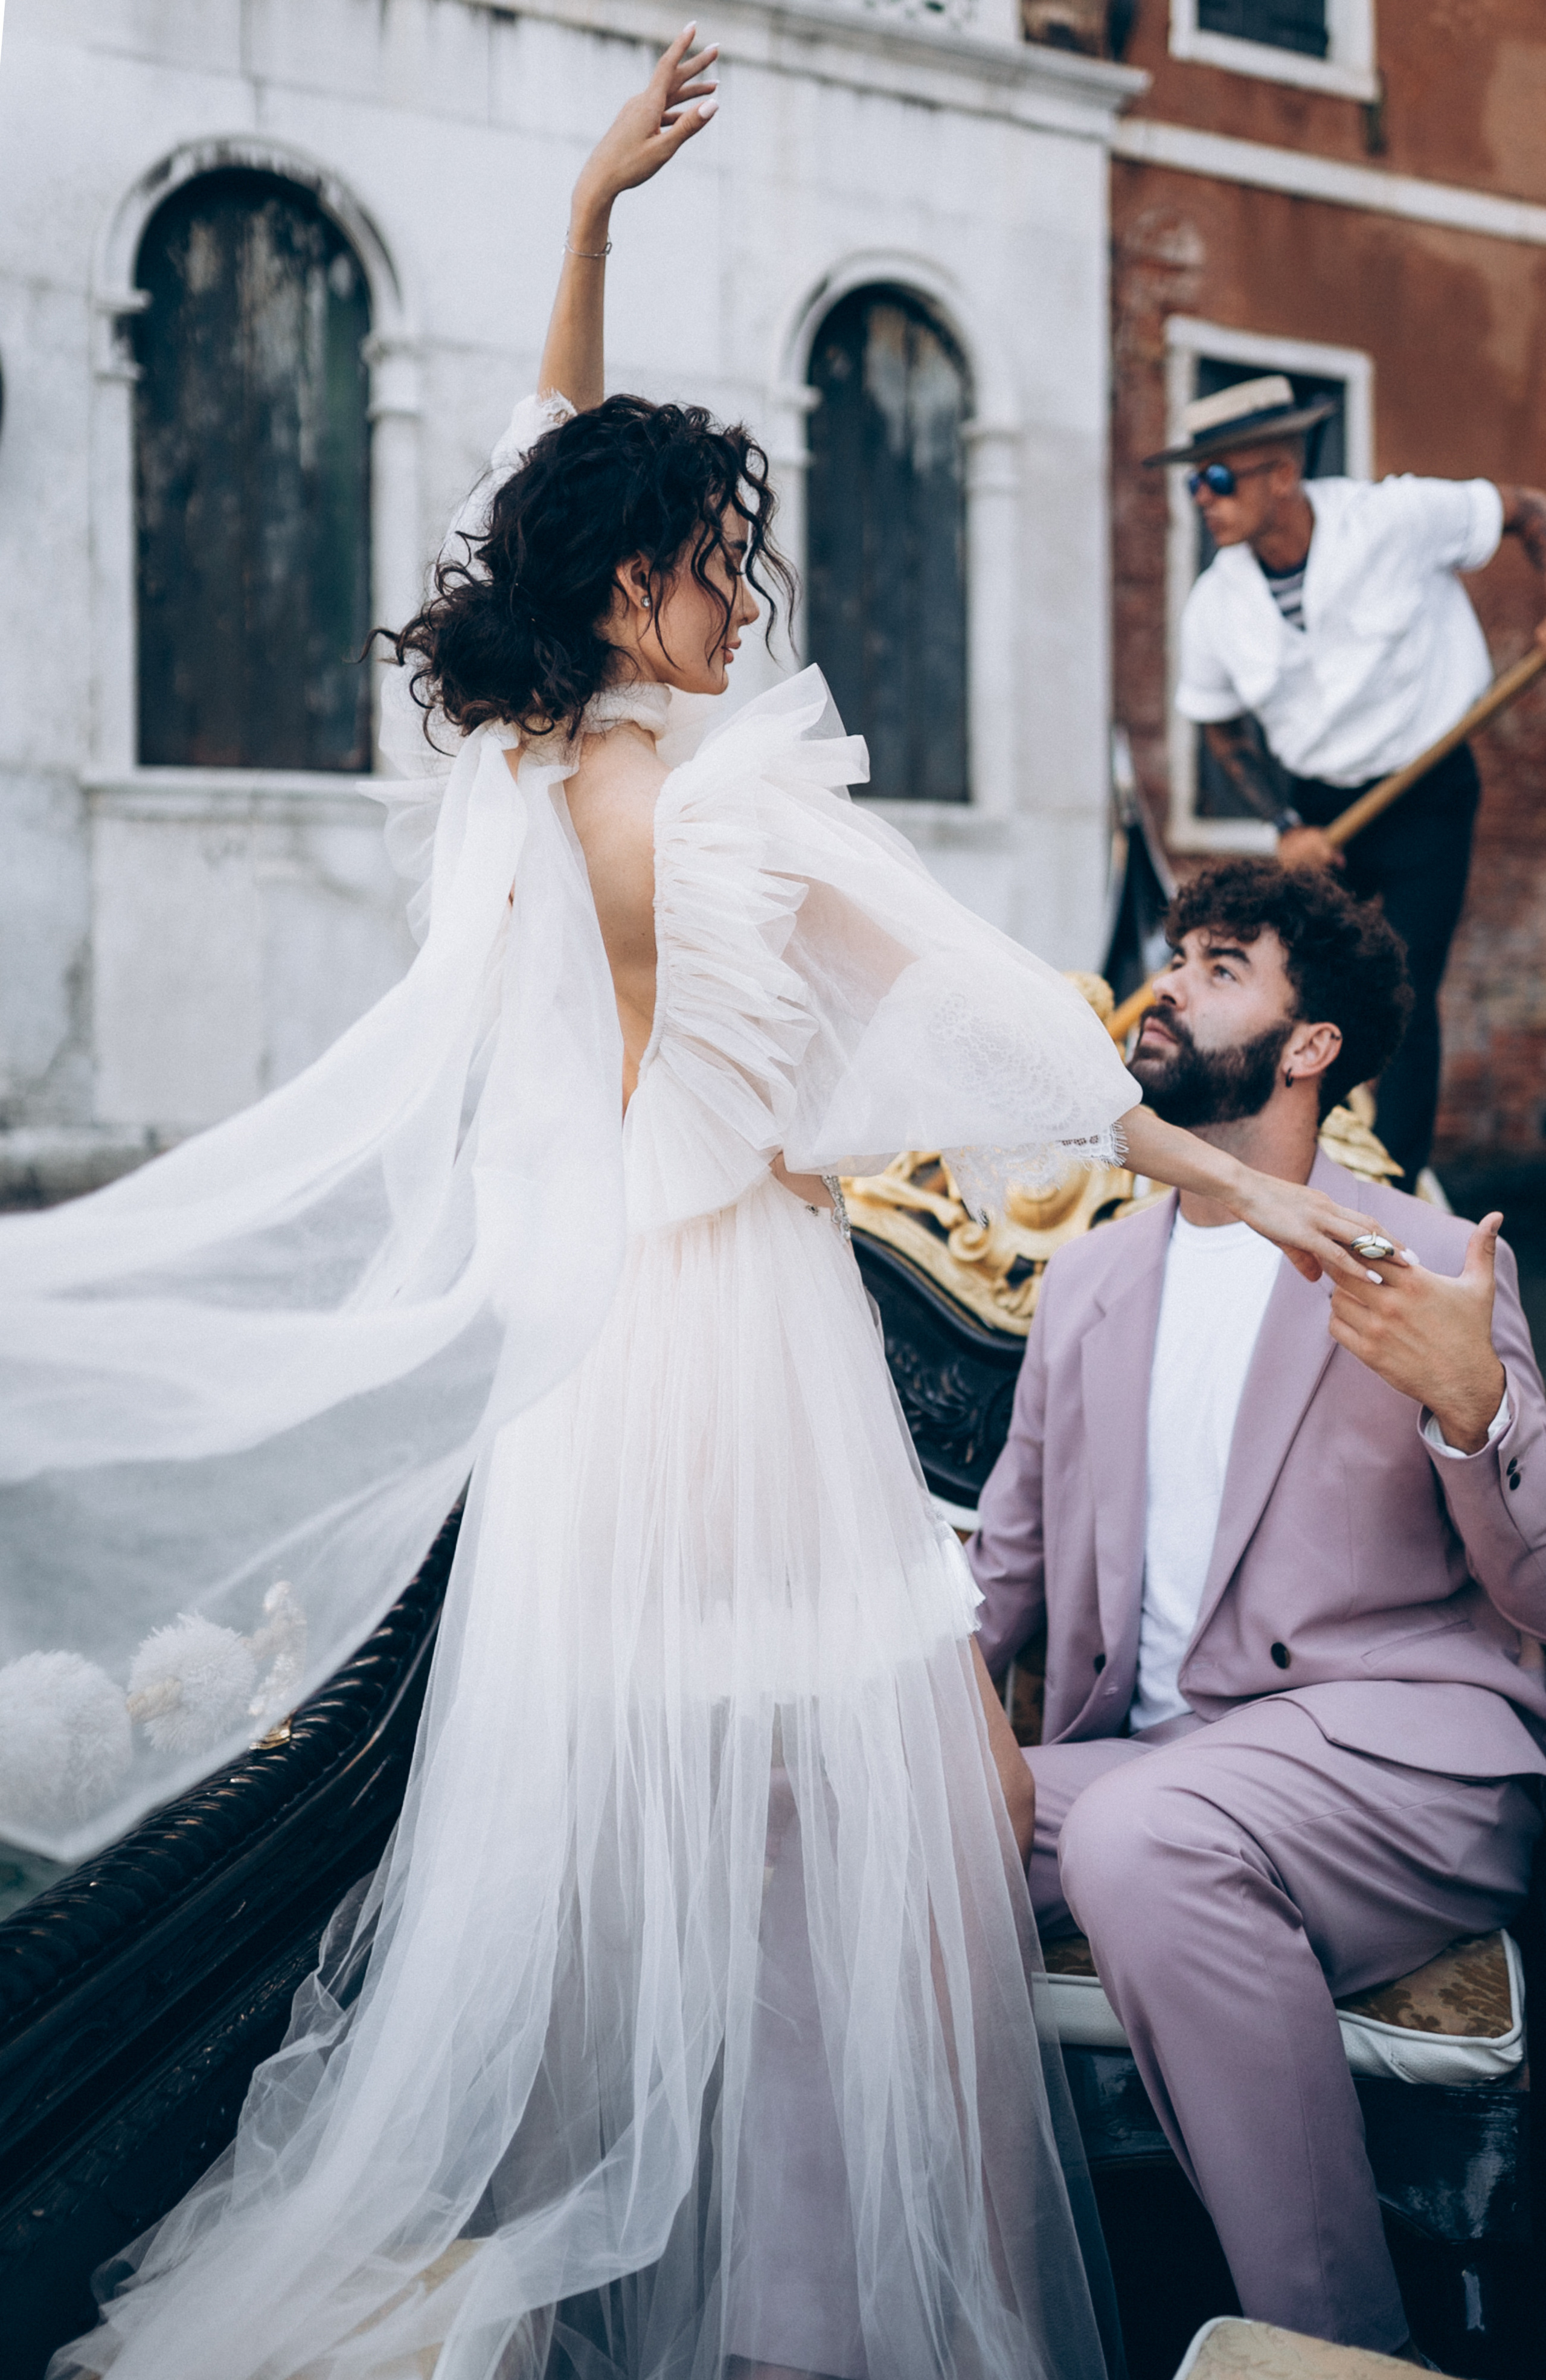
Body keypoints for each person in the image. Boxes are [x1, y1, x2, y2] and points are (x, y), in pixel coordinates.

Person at [19, 45, 1385, 2380]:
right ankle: (828, 2303)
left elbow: (533, 482)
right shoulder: (727, 819)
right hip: (748, 1360)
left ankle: (715, 2279)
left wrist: (584, 218)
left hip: (593, 1388)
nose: (750, 602)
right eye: (722, 567)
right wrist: (1247, 1193)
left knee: (670, 1846)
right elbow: (1023, 1042)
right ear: (637, 590)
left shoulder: (523, 764)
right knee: (868, 1846)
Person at [969, 857, 1546, 2362]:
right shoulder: (1084, 1284)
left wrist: (1473, 1405)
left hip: (1395, 1765)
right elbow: (993, 1583)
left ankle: (1328, 2347)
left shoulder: (1426, 1260)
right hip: (1146, 1761)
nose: (1166, 985)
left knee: (1141, 1834)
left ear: (1310, 1045)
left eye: (1220, 965)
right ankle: (869, 2323)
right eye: (1175, 956)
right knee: (819, 1821)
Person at [1148, 375, 1546, 1185]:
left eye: (1218, 478)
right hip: (1320, 811)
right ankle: (1300, 1163)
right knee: (1305, 985)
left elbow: (1528, 509)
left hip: (1427, 787)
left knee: (1406, 986)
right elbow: (1221, 730)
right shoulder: (1215, 605)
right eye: (1194, 482)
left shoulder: (1396, 518)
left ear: (1281, 474)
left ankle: (1393, 1181)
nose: (1203, 500)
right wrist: (1284, 823)